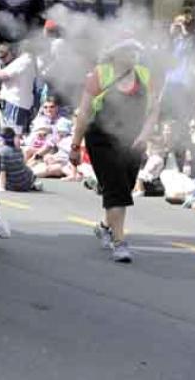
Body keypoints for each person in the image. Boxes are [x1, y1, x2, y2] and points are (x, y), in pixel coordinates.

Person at [70, 39, 160, 263]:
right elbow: (84, 113)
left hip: (131, 142)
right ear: (116, 54)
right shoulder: (99, 75)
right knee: (117, 188)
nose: (134, 54)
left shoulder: (145, 75)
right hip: (101, 140)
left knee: (125, 188)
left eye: (135, 51)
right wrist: (75, 145)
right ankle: (119, 242)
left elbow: (153, 111)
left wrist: (143, 137)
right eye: (129, 50)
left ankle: (105, 227)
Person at [0, 45, 37, 136]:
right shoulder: (30, 61)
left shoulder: (23, 60)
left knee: (12, 131)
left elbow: (3, 75)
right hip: (19, 101)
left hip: (15, 101)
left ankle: (11, 148)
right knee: (14, 130)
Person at [0, 127, 42, 192]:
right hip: (25, 183)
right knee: (26, 168)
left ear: (3, 140)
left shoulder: (2, 152)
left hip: (12, 185)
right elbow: (23, 165)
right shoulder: (19, 150)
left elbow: (2, 172)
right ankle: (32, 184)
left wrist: (2, 187)